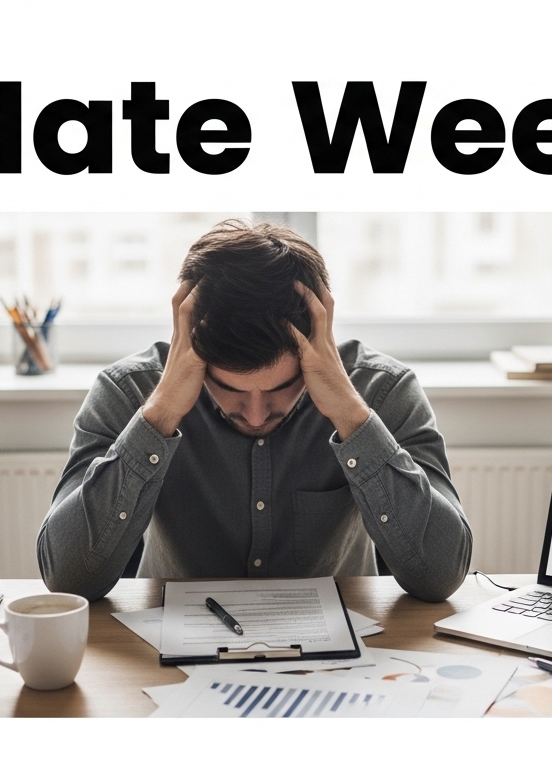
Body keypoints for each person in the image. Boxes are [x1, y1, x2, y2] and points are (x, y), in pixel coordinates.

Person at [37, 220, 472, 602]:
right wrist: (162, 411)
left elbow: (439, 575)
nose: (258, 413)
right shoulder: (128, 391)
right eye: (230, 389)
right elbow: (69, 578)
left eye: (283, 387)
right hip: (167, 656)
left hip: (345, 663)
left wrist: (350, 414)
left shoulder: (383, 390)